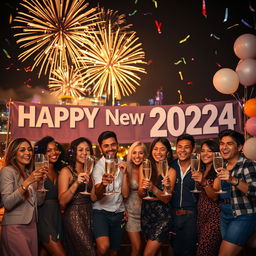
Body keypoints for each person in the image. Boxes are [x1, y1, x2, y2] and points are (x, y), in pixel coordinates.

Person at [0, 138, 46, 256]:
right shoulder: (7, 171)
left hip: (32, 225)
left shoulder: (28, 172)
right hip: (15, 226)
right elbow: (7, 203)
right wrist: (27, 183)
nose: (28, 153)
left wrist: (40, 184)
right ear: (14, 153)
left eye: (29, 150)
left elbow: (39, 203)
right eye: (22, 150)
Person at [213, 129, 256, 256]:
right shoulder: (223, 166)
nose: (224, 147)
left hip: (243, 215)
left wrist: (232, 179)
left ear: (239, 147)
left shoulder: (247, 164)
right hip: (225, 214)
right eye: (222, 143)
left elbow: (254, 191)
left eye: (229, 144)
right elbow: (216, 193)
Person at [92, 131, 129, 256]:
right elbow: (97, 193)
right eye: (106, 146)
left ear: (117, 145)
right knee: (103, 247)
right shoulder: (98, 166)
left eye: (113, 144)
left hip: (118, 212)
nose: (110, 148)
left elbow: (125, 194)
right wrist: (103, 184)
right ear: (101, 148)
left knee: (114, 251)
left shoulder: (122, 163)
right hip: (100, 212)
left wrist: (125, 174)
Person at [58, 137, 97, 256]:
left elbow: (94, 198)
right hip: (73, 216)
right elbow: (62, 202)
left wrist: (103, 185)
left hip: (89, 214)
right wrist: (76, 183)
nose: (84, 153)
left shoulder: (91, 170)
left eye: (87, 150)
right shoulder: (66, 171)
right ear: (74, 152)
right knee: (88, 252)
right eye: (80, 150)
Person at [138, 137, 176, 256]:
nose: (158, 152)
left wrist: (153, 188)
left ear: (167, 152)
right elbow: (141, 194)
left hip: (162, 216)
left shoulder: (171, 171)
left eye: (162, 149)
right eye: (155, 149)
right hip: (146, 213)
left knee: (148, 253)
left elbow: (167, 199)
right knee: (156, 252)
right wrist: (143, 188)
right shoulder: (144, 167)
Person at [34, 136, 67, 256]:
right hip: (43, 216)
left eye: (55, 149)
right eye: (49, 150)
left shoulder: (60, 172)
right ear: (42, 153)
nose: (54, 152)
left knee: (44, 253)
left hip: (57, 216)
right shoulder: (37, 172)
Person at [191, 140, 221, 256]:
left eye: (210, 151)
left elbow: (214, 197)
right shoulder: (201, 169)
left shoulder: (219, 171)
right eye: (203, 151)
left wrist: (203, 182)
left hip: (214, 218)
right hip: (201, 217)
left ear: (216, 153)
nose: (205, 154)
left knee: (204, 252)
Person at [170, 133, 197, 256]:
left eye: (187, 147)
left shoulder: (198, 166)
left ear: (193, 149)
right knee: (176, 250)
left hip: (191, 217)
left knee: (189, 252)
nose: (182, 150)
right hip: (173, 216)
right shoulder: (171, 166)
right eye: (180, 147)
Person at [125, 141, 147, 256]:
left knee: (148, 248)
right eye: (134, 153)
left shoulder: (148, 168)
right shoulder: (126, 168)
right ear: (130, 154)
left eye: (140, 153)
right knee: (137, 247)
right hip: (131, 213)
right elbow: (122, 193)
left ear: (145, 155)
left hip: (147, 213)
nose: (137, 156)